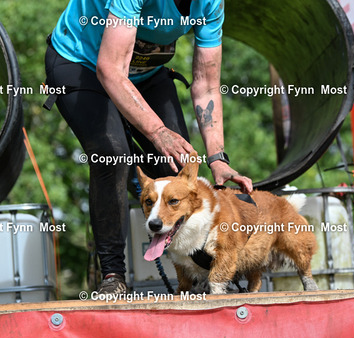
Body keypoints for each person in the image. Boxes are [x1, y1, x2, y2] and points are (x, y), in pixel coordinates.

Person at [45, 0, 253, 296]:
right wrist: (157, 132)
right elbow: (110, 69)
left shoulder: (211, 3)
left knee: (178, 169)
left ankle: (201, 274)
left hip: (144, 73)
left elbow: (207, 84)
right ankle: (113, 276)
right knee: (113, 157)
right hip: (82, 64)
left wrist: (218, 158)